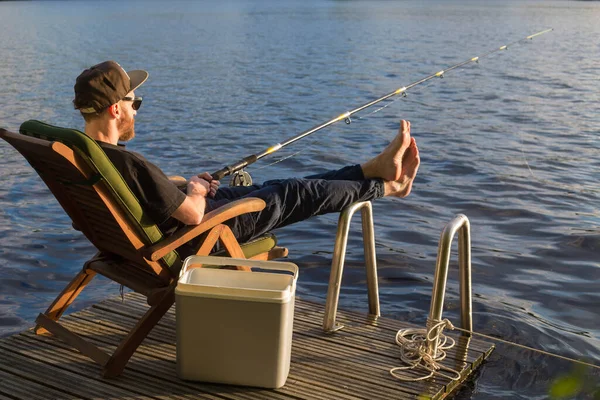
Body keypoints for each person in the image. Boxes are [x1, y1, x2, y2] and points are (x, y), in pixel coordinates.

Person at [73, 61, 420, 257]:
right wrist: (193, 190)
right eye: (136, 103)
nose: (137, 109)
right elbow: (193, 214)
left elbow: (142, 193)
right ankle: (390, 187)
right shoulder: (127, 163)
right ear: (116, 109)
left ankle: (373, 170)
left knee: (283, 186)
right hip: (198, 233)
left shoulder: (85, 154)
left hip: (163, 228)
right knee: (295, 193)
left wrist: (181, 185)